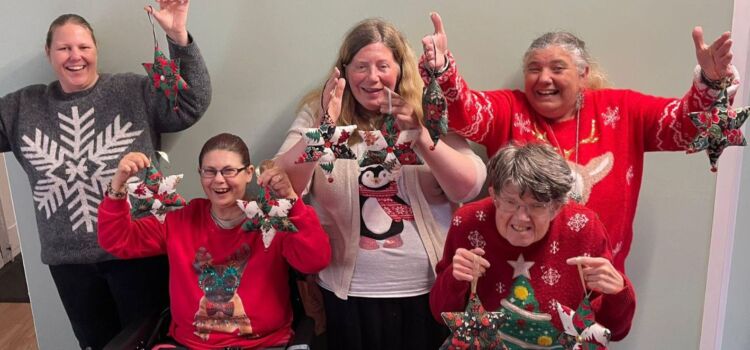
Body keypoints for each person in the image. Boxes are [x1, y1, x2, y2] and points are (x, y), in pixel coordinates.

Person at [420, 13, 739, 272]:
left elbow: (683, 126)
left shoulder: (622, 110)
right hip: (517, 274)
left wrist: (710, 83)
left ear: (583, 74)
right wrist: (442, 71)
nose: (543, 78)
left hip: (595, 276)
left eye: (557, 68)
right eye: (534, 69)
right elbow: (463, 111)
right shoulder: (510, 109)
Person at [0, 1, 211, 348]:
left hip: (139, 251)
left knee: (154, 341)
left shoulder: (133, 91)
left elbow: (192, 103)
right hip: (71, 264)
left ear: (96, 50)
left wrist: (177, 37)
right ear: (48, 53)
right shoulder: (23, 107)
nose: (75, 56)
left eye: (83, 46)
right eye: (64, 48)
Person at [275, 18, 487, 350]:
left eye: (382, 66)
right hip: (347, 292)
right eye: (361, 66)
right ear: (344, 71)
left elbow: (468, 186)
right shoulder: (319, 111)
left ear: (400, 69)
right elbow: (282, 184)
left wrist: (418, 135)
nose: (372, 77)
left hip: (426, 290)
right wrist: (323, 130)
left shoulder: (428, 109)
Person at [97, 133, 331, 349]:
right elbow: (117, 241)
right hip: (190, 345)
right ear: (200, 173)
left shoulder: (270, 218)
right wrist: (118, 186)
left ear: (249, 172)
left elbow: (315, 261)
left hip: (264, 344)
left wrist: (291, 201)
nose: (219, 180)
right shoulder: (180, 219)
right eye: (209, 171)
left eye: (229, 171)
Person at [431, 143, 636, 346]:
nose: (521, 217)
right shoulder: (468, 222)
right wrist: (454, 279)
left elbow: (614, 331)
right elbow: (440, 314)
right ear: (494, 197)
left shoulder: (584, 228)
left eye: (536, 206)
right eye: (511, 202)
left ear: (556, 207)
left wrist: (619, 294)